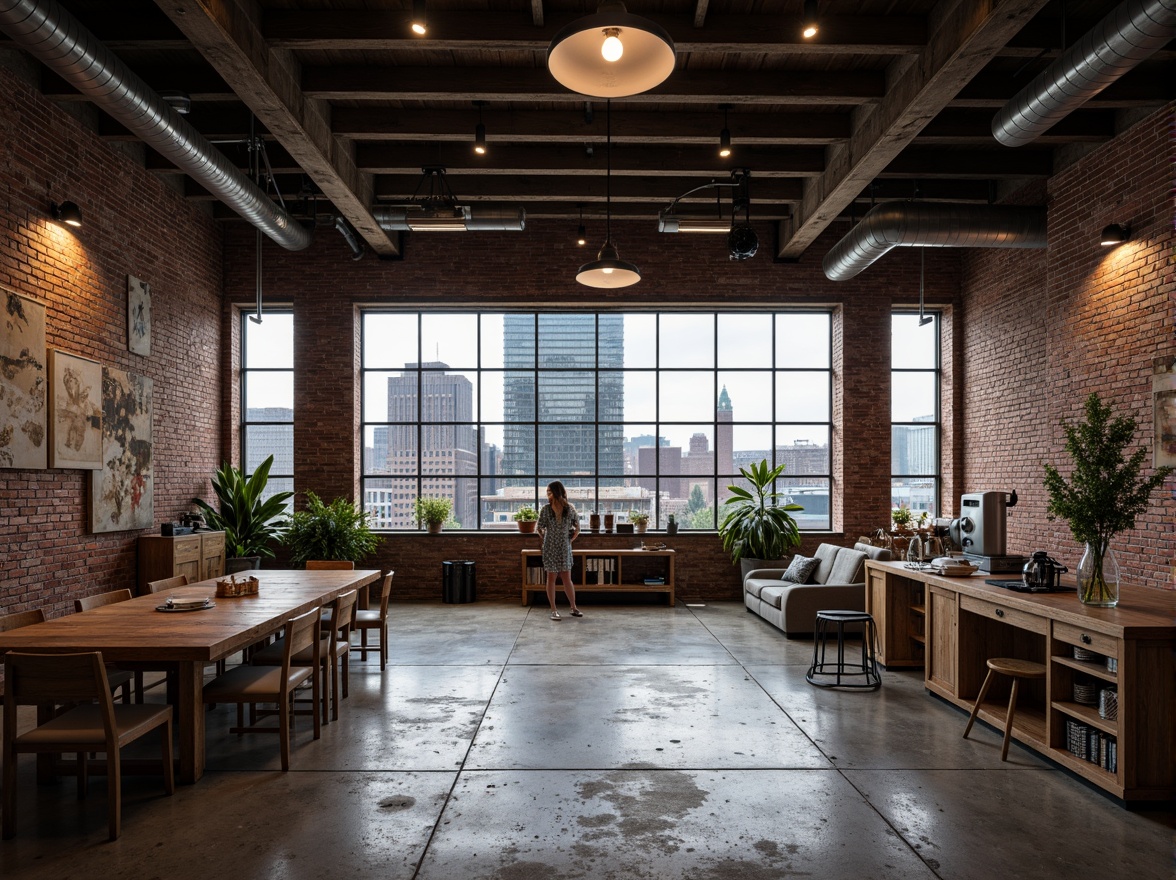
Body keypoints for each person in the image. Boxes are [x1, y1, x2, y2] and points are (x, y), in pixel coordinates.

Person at [536, 480, 582, 620]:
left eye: (550, 492)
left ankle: (573, 607)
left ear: (557, 492)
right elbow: (539, 528)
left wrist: (569, 540)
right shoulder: (546, 509)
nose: (548, 495)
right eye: (547, 492)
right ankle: (553, 610)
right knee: (551, 578)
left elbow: (577, 528)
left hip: (564, 547)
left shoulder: (570, 509)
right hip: (550, 547)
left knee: (567, 578)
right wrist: (546, 538)